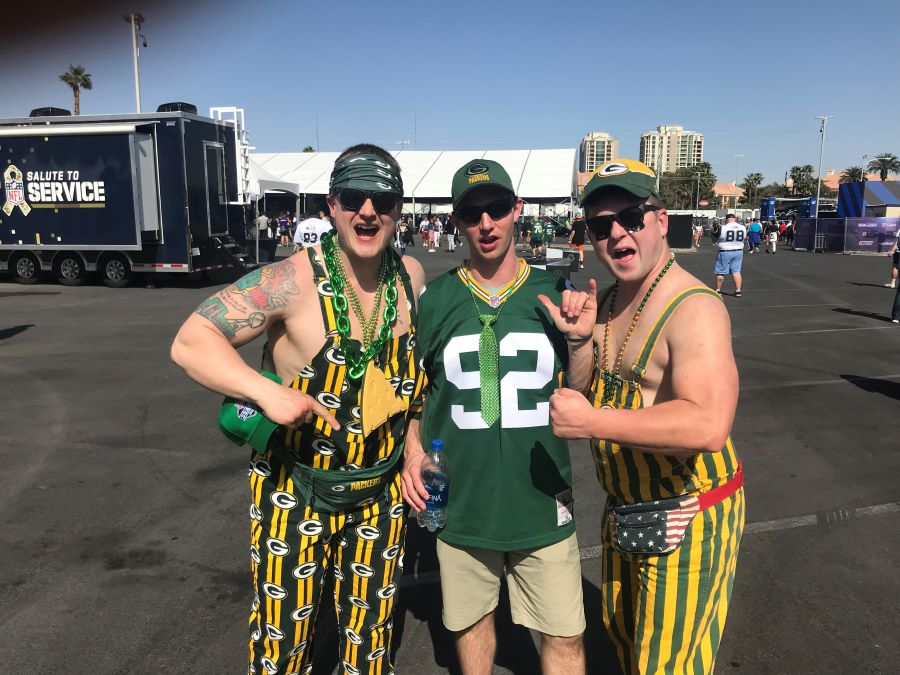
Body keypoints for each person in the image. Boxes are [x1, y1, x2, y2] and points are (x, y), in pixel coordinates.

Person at [171, 144, 427, 675]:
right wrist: (265, 391)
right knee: (282, 644)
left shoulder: (411, 279)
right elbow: (192, 340)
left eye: (382, 198)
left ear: (399, 209)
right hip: (296, 491)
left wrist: (413, 446)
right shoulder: (290, 281)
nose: (368, 211)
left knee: (372, 643)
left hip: (379, 497)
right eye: (354, 197)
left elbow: (411, 385)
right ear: (331, 204)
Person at [549, 158, 745, 675]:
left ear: (661, 221)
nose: (616, 234)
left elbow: (707, 424)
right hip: (625, 508)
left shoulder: (695, 308)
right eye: (600, 225)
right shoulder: (610, 300)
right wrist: (578, 341)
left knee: (666, 665)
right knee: (626, 641)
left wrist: (592, 423)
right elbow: (585, 387)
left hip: (686, 512)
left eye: (631, 217)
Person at [402, 159, 597, 675]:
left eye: (495, 209)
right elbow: (411, 395)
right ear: (457, 220)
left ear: (517, 211)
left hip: (541, 502)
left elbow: (579, 392)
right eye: (471, 213)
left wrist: (579, 342)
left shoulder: (555, 295)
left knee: (566, 637)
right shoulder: (435, 301)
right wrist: (413, 449)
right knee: (471, 632)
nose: (485, 224)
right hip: (462, 504)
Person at [715, 213, 747, 296]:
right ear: (735, 219)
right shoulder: (742, 227)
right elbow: (744, 237)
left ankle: (718, 290)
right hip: (738, 251)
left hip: (725, 251)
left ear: (726, 220)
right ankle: (738, 290)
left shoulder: (723, 227)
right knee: (736, 271)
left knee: (721, 272)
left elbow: (716, 236)